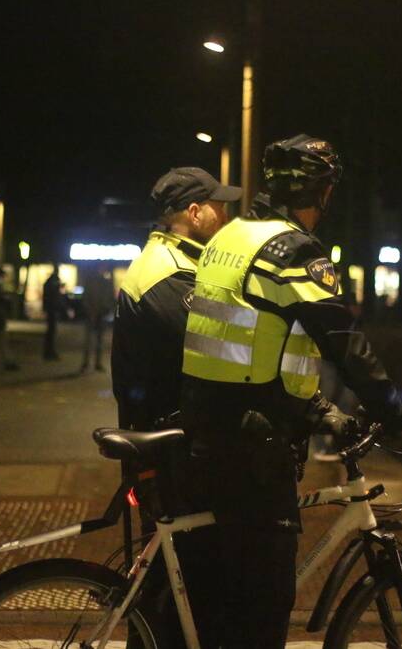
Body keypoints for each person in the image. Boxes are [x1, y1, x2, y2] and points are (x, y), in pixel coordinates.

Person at [180, 135, 402, 648]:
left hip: (213, 426)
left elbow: (250, 346)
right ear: (322, 192)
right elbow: (345, 343)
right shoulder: (290, 249)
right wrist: (397, 418)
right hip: (252, 446)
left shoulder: (232, 237)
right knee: (266, 602)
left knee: (226, 594)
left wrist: (317, 409)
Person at [111, 166, 238, 648]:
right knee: (175, 590)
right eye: (219, 205)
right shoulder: (169, 276)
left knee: (172, 588)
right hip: (170, 455)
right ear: (194, 211)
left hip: (172, 447)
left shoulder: (177, 263)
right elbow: (222, 344)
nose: (226, 214)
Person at [80, 266, 116, 373]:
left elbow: (110, 298)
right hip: (93, 313)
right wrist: (89, 309)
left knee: (97, 340)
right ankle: (87, 363)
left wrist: (106, 308)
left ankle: (95, 363)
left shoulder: (105, 283)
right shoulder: (93, 282)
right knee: (90, 340)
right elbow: (86, 298)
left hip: (100, 313)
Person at [42, 266, 64, 361]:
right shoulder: (52, 283)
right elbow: (53, 296)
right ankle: (49, 352)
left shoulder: (49, 282)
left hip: (51, 308)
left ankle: (49, 351)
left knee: (51, 331)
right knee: (51, 331)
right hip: (52, 309)